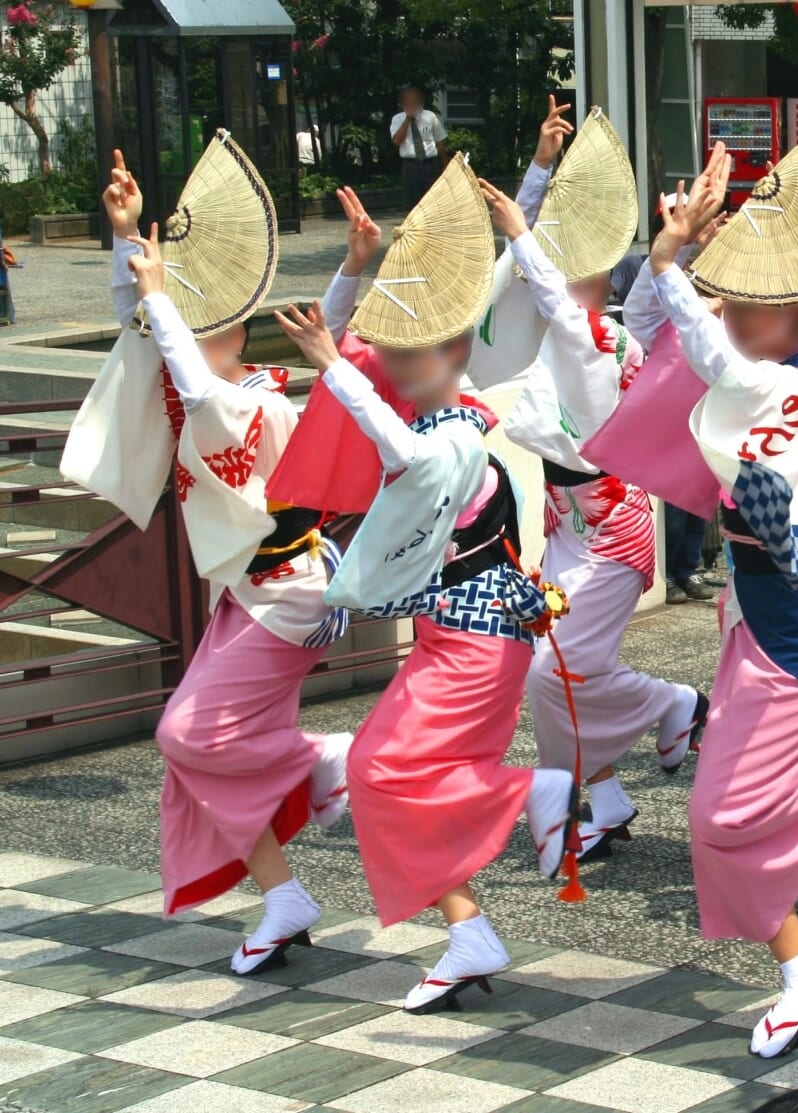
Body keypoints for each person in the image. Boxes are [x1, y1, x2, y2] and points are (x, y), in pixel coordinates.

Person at [625, 133, 798, 1059]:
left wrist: (672, 258)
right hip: (779, 611)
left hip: (796, 626)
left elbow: (710, 356)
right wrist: (690, 261)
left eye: (750, 304)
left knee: (724, 816)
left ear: (796, 310)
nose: (730, 316)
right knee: (726, 821)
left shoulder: (780, 383)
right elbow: (711, 352)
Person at [271, 161, 575, 1014]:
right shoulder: (435, 397)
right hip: (467, 635)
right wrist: (353, 272)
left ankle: (532, 794)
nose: (389, 368)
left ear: (448, 349)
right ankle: (467, 929)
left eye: (404, 355)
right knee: (396, 782)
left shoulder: (455, 433)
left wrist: (338, 368)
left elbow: (400, 450)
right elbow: (338, 342)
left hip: (476, 642)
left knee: (381, 769)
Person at [68, 148, 351, 973]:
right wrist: (126, 245)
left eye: (183, 323)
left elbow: (195, 387)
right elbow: (150, 347)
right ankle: (283, 893)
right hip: (253, 596)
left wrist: (159, 298)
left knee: (184, 732)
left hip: (289, 594)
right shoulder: (226, 382)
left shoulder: (252, 400)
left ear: (221, 328)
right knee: (191, 755)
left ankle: (323, 757)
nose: (168, 336)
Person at [477, 100, 708, 862]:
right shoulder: (600, 326)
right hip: (571, 523)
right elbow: (528, 269)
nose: (556, 276)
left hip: (613, 530)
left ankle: (675, 703)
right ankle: (603, 794)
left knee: (557, 670)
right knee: (562, 671)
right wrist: (539, 172)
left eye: (575, 269)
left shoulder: (593, 335)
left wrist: (521, 227)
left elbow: (537, 271)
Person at [390, 85, 445, 208]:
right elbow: (397, 141)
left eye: (414, 100)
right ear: (402, 103)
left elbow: (439, 140)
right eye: (408, 101)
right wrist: (408, 119)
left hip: (430, 163)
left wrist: (444, 163)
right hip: (411, 165)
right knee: (413, 200)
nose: (412, 104)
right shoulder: (397, 119)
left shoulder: (429, 116)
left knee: (432, 199)